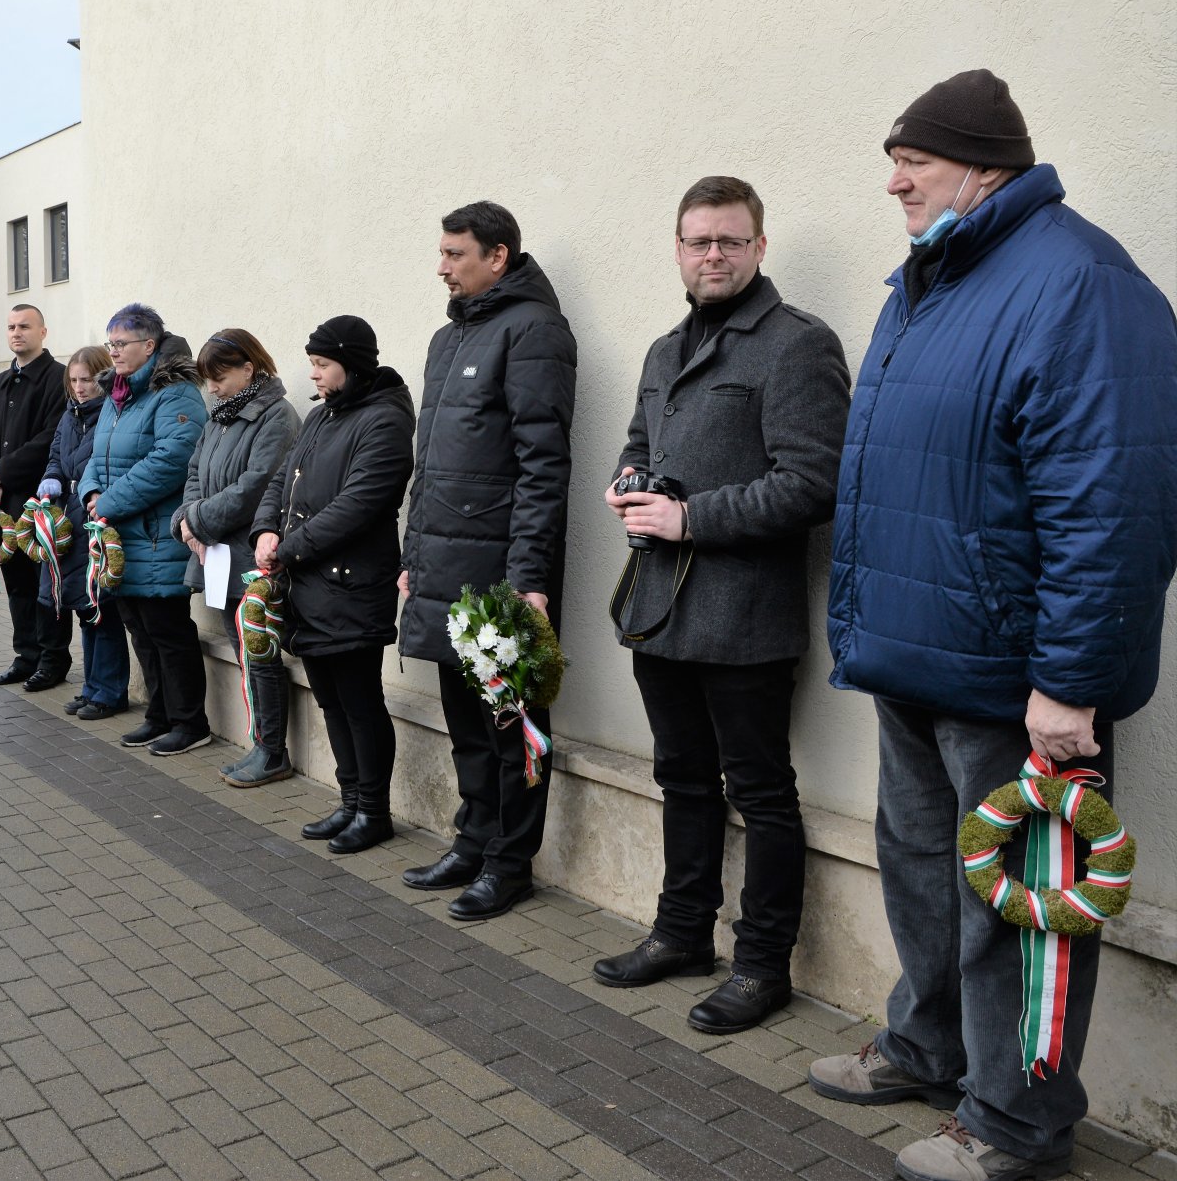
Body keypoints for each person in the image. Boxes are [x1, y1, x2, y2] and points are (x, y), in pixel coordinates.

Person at [812, 70, 1177, 1181]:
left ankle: (1016, 1124)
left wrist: (1070, 683)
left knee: (1013, 906)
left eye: (910, 162)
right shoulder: (931, 279)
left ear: (980, 164)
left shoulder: (1080, 284)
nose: (893, 182)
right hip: (914, 657)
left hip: (1011, 682)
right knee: (921, 870)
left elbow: (1113, 502)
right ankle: (928, 1050)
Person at [591, 177, 849, 1035]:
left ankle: (762, 964)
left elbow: (814, 485)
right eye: (698, 241)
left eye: (729, 242)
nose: (713, 256)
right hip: (660, 609)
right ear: (676, 248)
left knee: (763, 792)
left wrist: (689, 516)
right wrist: (629, 484)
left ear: (758, 248)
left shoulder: (796, 345)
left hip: (745, 615)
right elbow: (639, 443)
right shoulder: (665, 350)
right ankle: (680, 934)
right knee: (682, 780)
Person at [396, 201, 576, 922]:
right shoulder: (449, 338)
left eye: (455, 253)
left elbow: (543, 465)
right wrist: (411, 556)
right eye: (441, 252)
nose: (441, 266)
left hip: (499, 577)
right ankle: (473, 841)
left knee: (513, 731)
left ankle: (511, 864)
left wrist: (529, 579)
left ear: (497, 256)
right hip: (442, 567)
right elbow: (430, 467)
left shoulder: (535, 332)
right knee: (468, 728)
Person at [252, 316, 415, 850]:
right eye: (313, 365)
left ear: (353, 363)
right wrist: (264, 531)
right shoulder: (323, 417)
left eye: (323, 365)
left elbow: (360, 505)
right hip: (309, 586)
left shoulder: (384, 421)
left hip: (352, 586)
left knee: (359, 700)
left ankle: (374, 812)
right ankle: (349, 802)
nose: (315, 376)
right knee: (330, 699)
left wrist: (289, 548)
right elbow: (283, 477)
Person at [79, 304, 211, 755]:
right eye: (110, 343)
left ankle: (191, 722)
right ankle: (159, 715)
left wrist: (110, 503)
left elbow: (172, 461)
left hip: (156, 536)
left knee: (169, 631)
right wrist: (92, 492)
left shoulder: (175, 393)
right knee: (140, 629)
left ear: (149, 346)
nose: (113, 352)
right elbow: (99, 453)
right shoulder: (119, 394)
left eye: (122, 344)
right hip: (123, 536)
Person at [172, 330, 298, 787]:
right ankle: (260, 743)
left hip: (252, 559)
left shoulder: (276, 417)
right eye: (208, 379)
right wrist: (187, 519)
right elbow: (194, 472)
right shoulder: (218, 418)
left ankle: (272, 751)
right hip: (220, 555)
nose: (212, 388)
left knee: (260, 653)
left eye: (219, 377)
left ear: (249, 368)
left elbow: (257, 486)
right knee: (245, 654)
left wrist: (197, 520)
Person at [0, 304, 70, 692]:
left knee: (46, 586)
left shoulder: (58, 381)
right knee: (17, 586)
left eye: (25, 326)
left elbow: (48, 439)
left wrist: (2, 471)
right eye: (11, 327)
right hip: (3, 508)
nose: (16, 333)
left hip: (41, 506)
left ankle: (52, 660)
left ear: (43, 332)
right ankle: (25, 656)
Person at [37, 346, 129, 721]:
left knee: (101, 608)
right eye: (74, 380)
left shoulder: (111, 415)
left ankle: (110, 691)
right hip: (69, 519)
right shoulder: (69, 417)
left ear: (103, 378)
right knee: (82, 607)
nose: (80, 387)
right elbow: (57, 456)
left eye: (87, 379)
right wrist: (50, 480)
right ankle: (92, 686)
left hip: (95, 516)